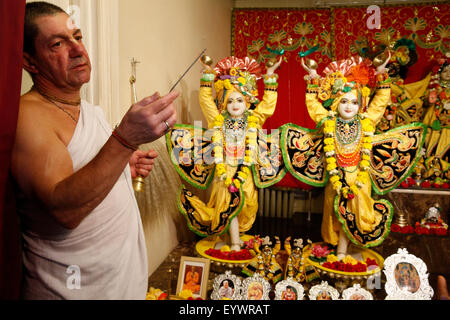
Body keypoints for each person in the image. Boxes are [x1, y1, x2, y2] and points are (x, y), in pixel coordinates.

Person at [11, 2, 178, 299]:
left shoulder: (89, 112)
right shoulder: (28, 117)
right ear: (30, 62)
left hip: (121, 286)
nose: (77, 50)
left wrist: (122, 166)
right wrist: (125, 140)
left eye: (78, 37)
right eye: (58, 43)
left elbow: (87, 171)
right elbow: (64, 210)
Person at [171, 56, 281, 252]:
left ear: (248, 101)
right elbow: (205, 100)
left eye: (239, 99)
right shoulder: (218, 121)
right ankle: (234, 242)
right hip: (223, 172)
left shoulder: (254, 119)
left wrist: (270, 76)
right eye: (230, 100)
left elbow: (268, 104)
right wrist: (207, 74)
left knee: (246, 205)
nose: (235, 104)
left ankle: (235, 237)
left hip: (245, 172)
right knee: (224, 206)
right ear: (223, 103)